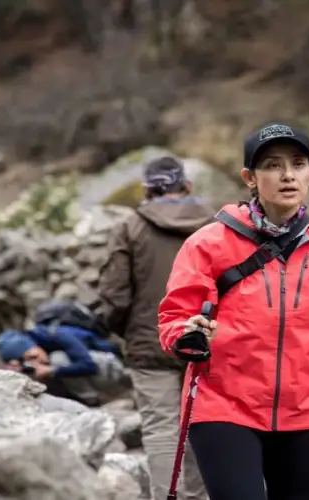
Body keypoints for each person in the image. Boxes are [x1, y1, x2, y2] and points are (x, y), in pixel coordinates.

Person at [158, 122, 309, 500]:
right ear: (250, 178)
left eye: (298, 163)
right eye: (272, 165)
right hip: (224, 408)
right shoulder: (208, 244)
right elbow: (176, 316)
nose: (287, 175)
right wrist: (186, 335)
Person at [97, 156, 212, 500]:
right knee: (205, 424)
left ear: (146, 190)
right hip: (210, 341)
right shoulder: (215, 225)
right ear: (187, 187)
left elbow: (114, 294)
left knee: (162, 429)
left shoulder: (129, 227)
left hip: (151, 343)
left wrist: (124, 329)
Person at [0, 323, 126, 407]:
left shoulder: (58, 335)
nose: (35, 363)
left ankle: (93, 401)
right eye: (28, 361)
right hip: (97, 376)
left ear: (34, 346)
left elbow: (89, 365)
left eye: (33, 357)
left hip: (112, 365)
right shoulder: (40, 348)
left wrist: (53, 370)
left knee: (57, 360)